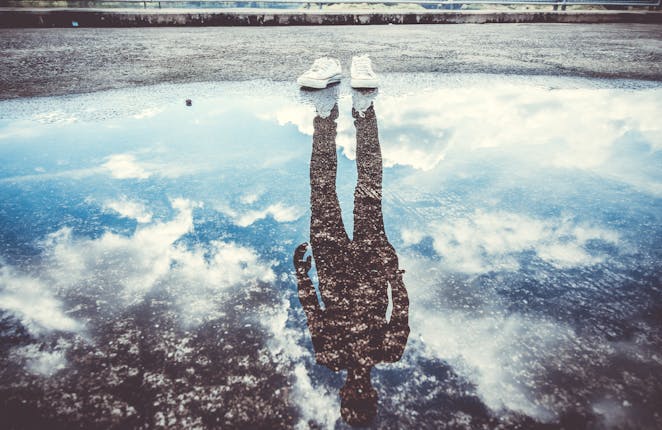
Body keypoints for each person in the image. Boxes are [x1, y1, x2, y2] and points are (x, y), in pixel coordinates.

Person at [293, 82, 410, 426]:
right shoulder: (389, 351)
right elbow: (401, 305)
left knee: (323, 189)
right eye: (363, 397)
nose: (357, 392)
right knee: (368, 188)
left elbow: (313, 310)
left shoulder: (329, 356)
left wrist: (302, 276)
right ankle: (363, 111)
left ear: (343, 395)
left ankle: (327, 115)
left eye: (352, 398)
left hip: (332, 269)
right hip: (371, 266)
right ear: (372, 395)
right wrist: (393, 271)